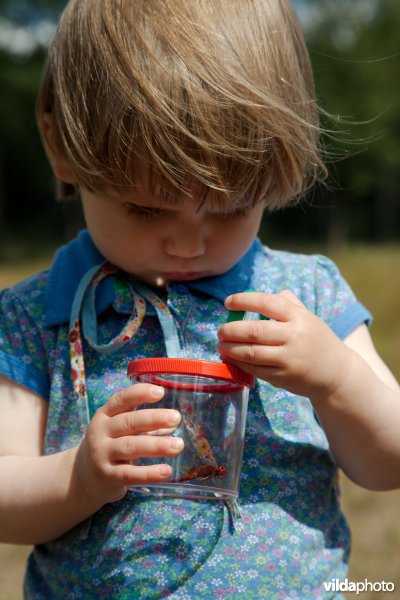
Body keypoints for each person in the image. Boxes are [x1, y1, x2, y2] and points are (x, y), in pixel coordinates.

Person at [0, 0, 399, 597]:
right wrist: (78, 479)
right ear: (62, 148)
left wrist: (336, 380)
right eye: (146, 209)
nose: (188, 242)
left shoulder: (306, 295)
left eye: (232, 209)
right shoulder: (36, 319)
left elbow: (388, 462)